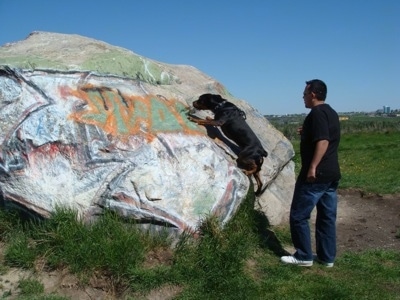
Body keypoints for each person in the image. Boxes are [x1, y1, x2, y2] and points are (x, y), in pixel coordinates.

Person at [281, 79, 341, 267]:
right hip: (331, 174)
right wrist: (306, 132)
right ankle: (326, 257)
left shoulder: (316, 113)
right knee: (326, 217)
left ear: (313, 94)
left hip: (317, 175)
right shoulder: (330, 112)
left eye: (305, 94)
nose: (303, 98)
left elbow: (323, 141)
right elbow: (324, 135)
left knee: (299, 215)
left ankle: (304, 256)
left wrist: (312, 167)